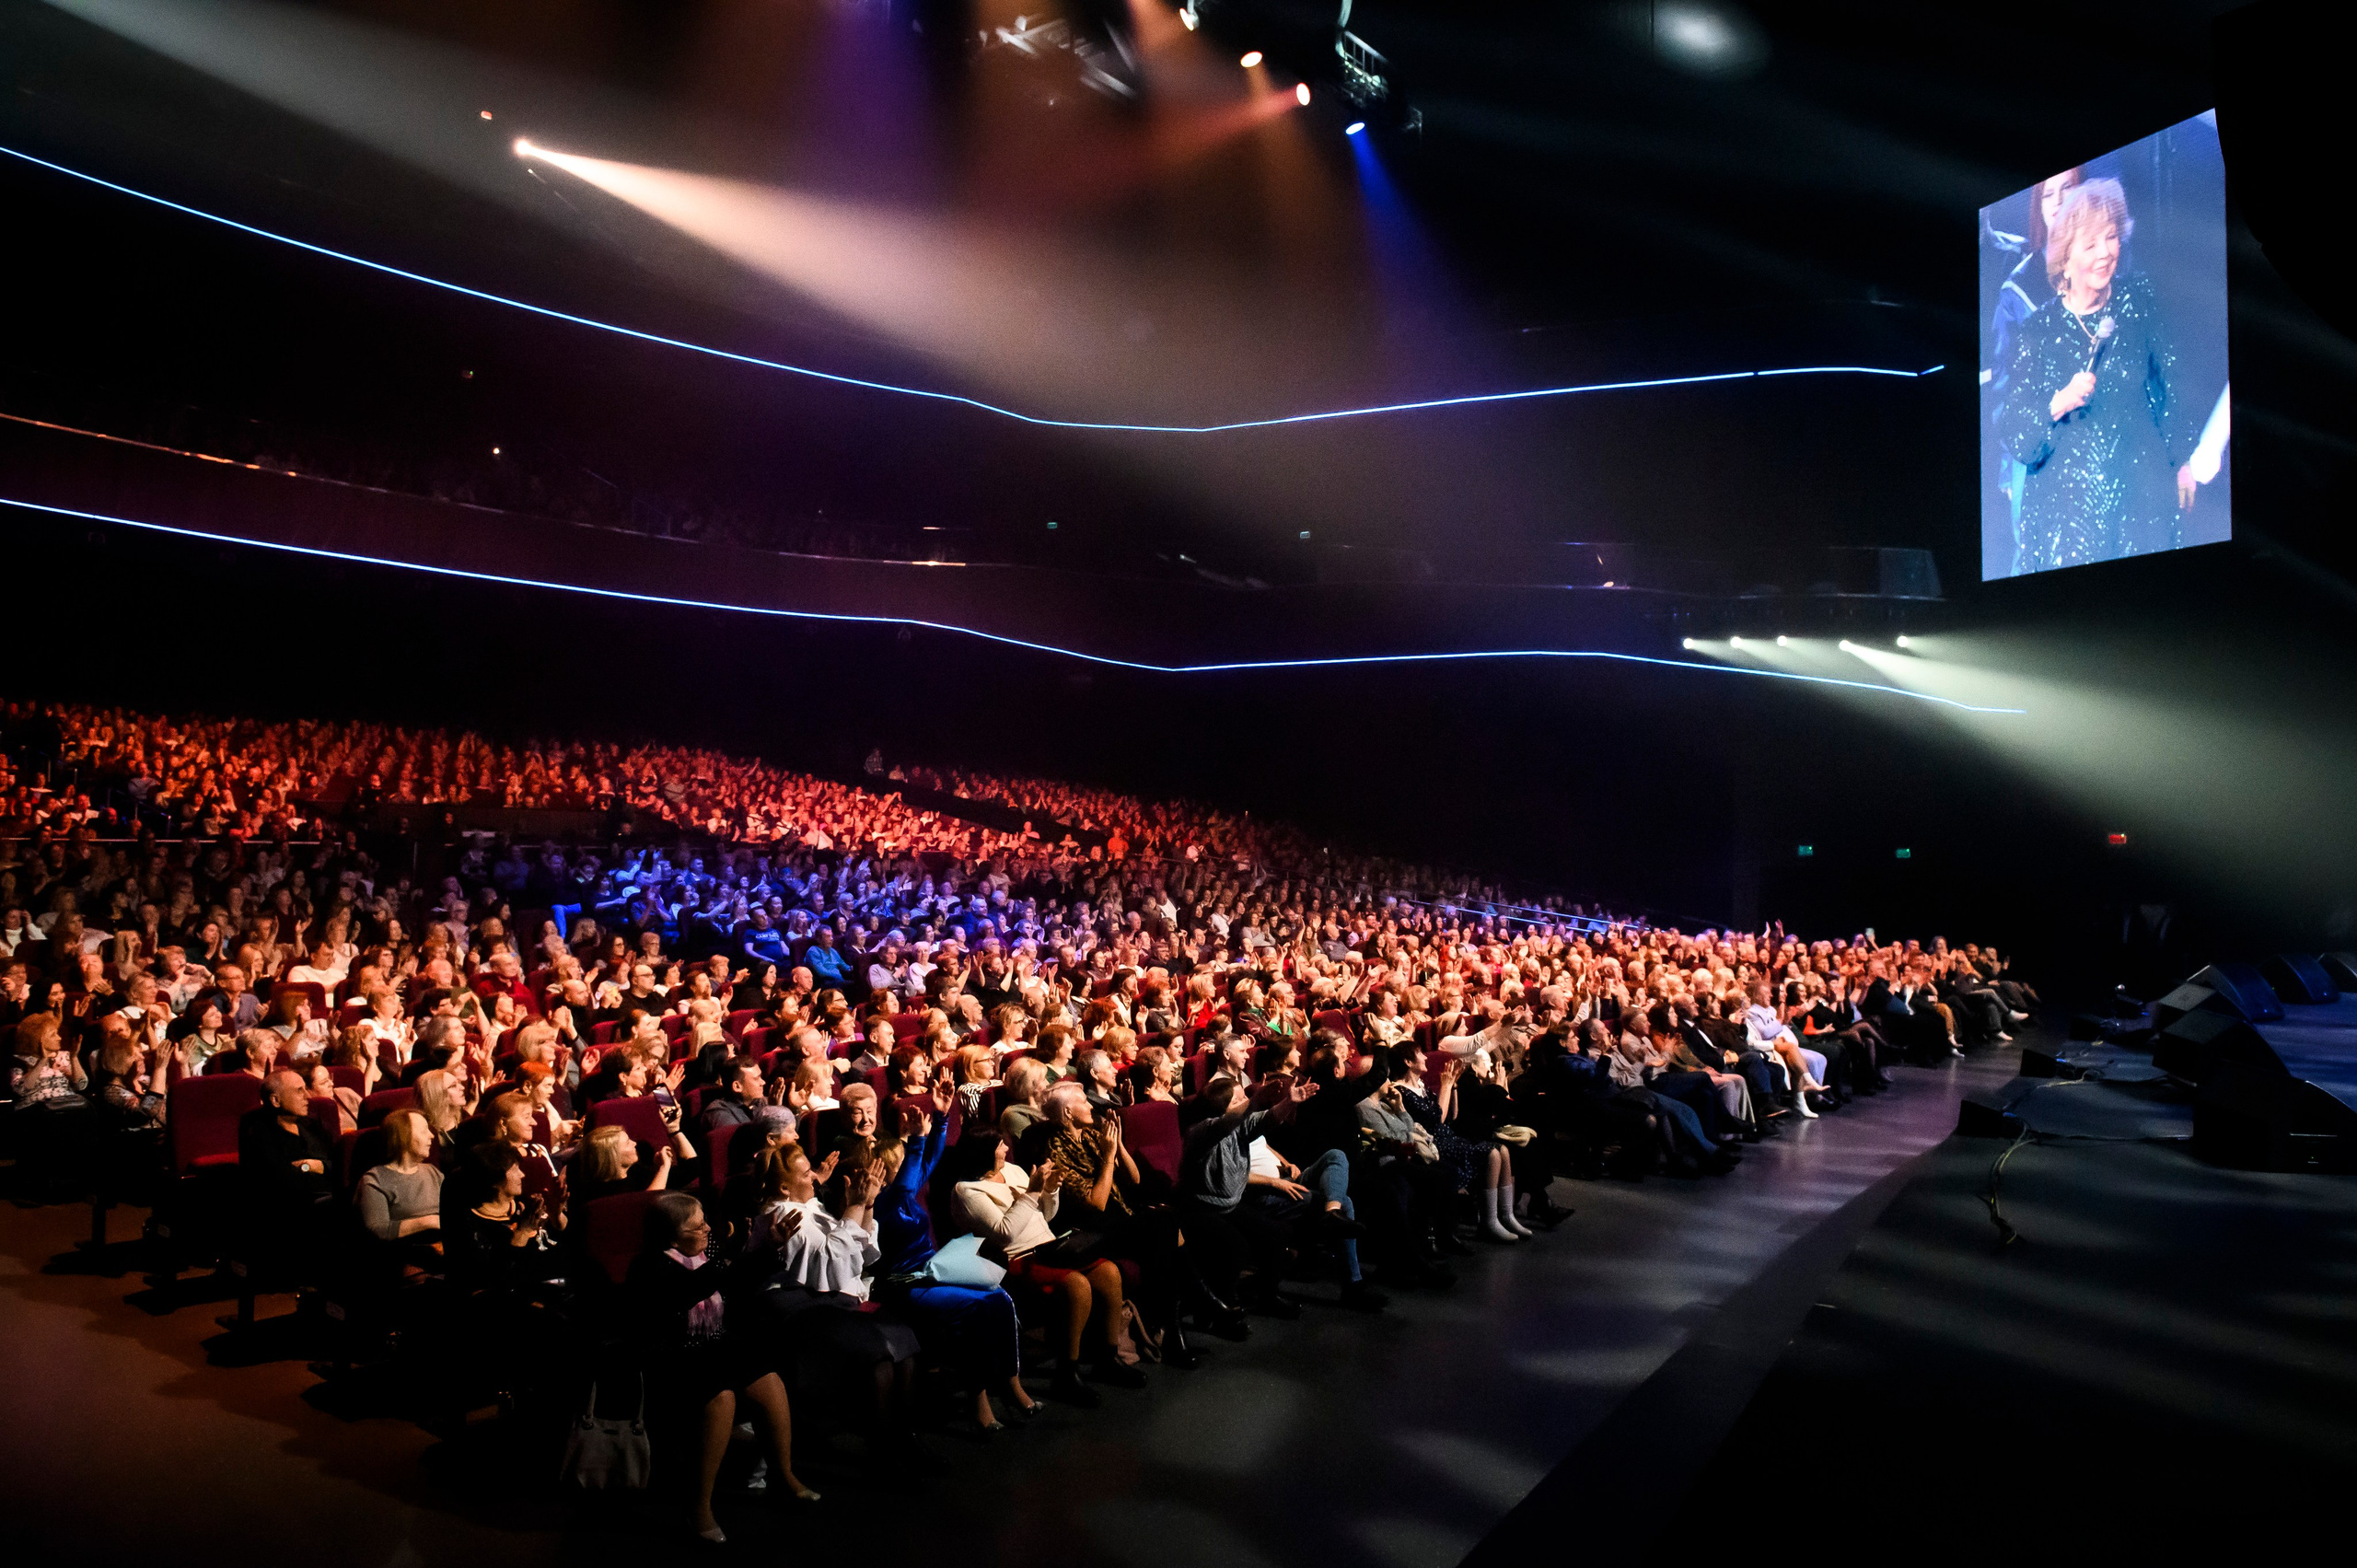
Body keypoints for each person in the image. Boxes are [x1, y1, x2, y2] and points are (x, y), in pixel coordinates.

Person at [1999, 177, 2200, 573]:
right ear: (2064, 258)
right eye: (2091, 244)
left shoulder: (2140, 301)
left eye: (2111, 237)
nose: (2105, 253)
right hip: (2068, 521)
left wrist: (2183, 462)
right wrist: (2059, 401)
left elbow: (2170, 388)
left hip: (2142, 508)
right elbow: (2017, 433)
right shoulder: (2037, 331)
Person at [623, 1191, 817, 1543]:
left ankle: (783, 1476)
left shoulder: (704, 1254)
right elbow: (688, 1292)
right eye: (699, 1226)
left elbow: (736, 1285)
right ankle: (698, 1507)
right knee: (720, 1396)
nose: (709, 1229)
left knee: (768, 1378)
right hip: (670, 1355)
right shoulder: (649, 1266)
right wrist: (727, 1255)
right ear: (671, 1236)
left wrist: (766, 1249)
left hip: (713, 1344)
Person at [947, 1127, 1132, 1406]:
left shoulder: (1012, 1170)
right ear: (984, 1153)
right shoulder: (966, 1191)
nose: (1006, 1150)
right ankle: (1066, 1374)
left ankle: (1107, 1357)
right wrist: (1033, 1191)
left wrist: (1050, 1190)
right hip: (1015, 1259)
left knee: (1108, 1272)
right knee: (1077, 1284)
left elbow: (1045, 1215)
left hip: (1049, 1247)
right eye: (1000, 1146)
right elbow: (1005, 1233)